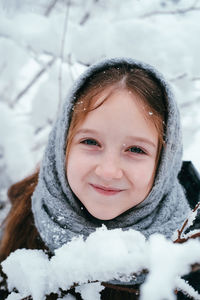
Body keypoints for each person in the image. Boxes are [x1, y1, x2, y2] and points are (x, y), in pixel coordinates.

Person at [0, 57, 199, 300]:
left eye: (136, 150)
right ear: (63, 145)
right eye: (91, 142)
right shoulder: (22, 216)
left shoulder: (191, 254)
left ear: (164, 161)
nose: (108, 171)